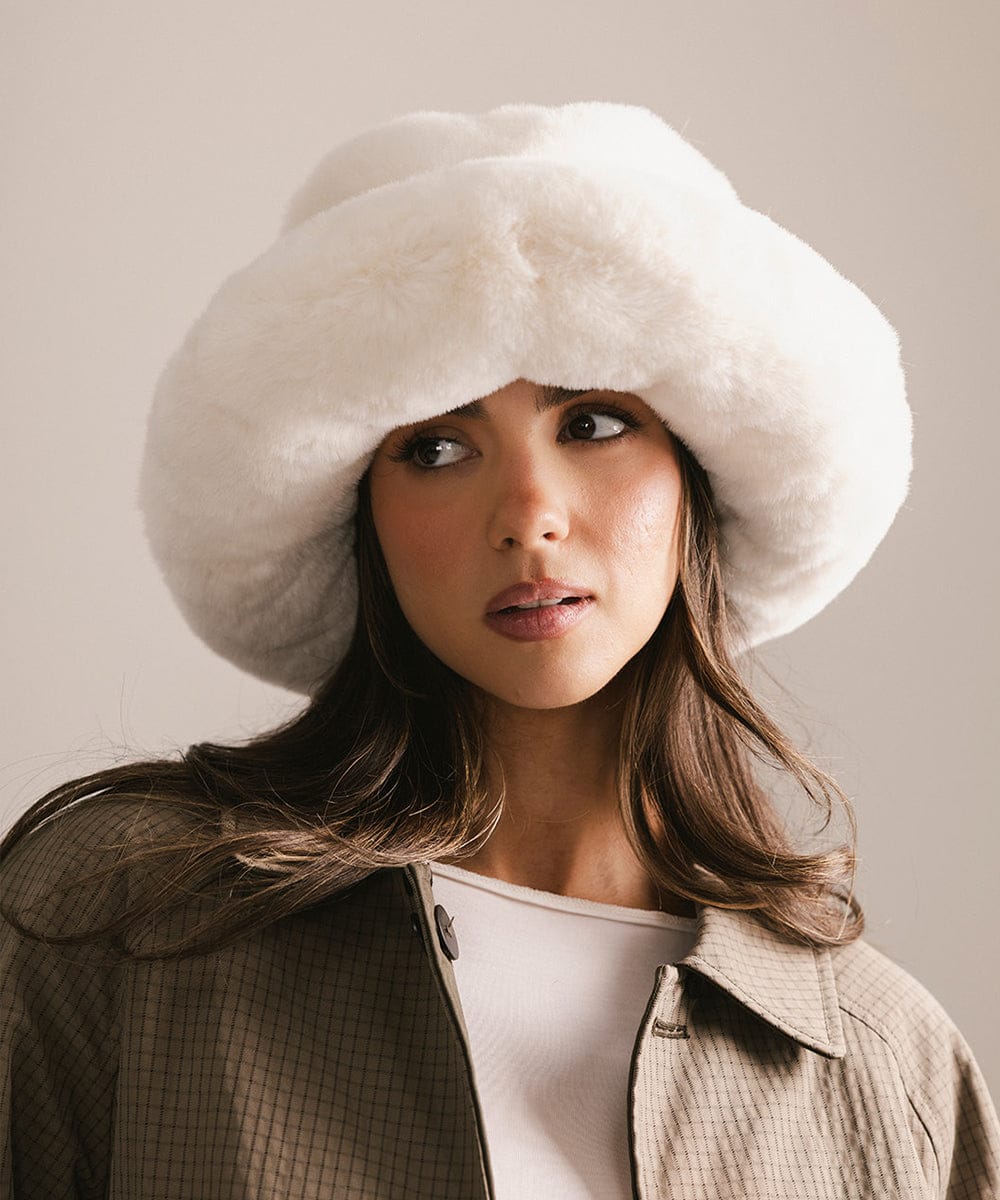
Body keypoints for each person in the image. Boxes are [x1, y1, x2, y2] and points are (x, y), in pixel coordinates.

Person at [1, 102, 997, 1199]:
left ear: (696, 480)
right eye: (436, 446)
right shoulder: (124, 921)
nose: (528, 517)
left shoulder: (886, 1066)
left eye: (593, 423)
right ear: (364, 519)